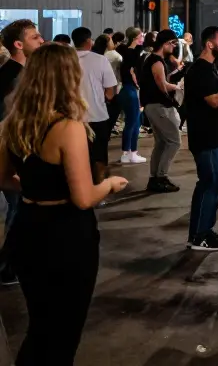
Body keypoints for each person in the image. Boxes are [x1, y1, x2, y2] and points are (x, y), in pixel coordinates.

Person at [0, 44, 128, 364]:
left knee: (40, 328)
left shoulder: (12, 123)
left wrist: (35, 188)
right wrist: (109, 184)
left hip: (27, 229)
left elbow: (3, 178)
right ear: (68, 77)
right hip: (65, 236)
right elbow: (83, 198)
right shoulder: (68, 128)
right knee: (63, 334)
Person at [0, 19, 44, 286]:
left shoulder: (16, 72)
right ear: (19, 44)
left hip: (14, 147)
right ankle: (7, 266)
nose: (41, 40)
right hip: (12, 149)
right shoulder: (14, 76)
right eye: (35, 37)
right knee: (17, 206)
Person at [183, 26, 218, 252]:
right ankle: (199, 236)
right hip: (207, 138)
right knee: (210, 184)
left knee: (212, 185)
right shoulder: (200, 70)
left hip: (215, 137)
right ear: (209, 44)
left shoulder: (211, 68)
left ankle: (204, 230)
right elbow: (213, 101)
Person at [140, 29, 186, 193]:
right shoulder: (156, 61)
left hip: (152, 105)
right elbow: (162, 86)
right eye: (173, 44)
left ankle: (155, 178)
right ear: (166, 43)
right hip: (158, 106)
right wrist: (178, 87)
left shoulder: (152, 59)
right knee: (174, 141)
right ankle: (161, 177)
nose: (174, 47)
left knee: (161, 143)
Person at [73, 27, 118, 186]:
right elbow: (110, 89)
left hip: (73, 117)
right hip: (97, 115)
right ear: (88, 41)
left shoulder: (65, 59)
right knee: (99, 154)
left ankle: (78, 185)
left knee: (76, 155)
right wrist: (104, 99)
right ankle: (99, 186)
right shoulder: (100, 60)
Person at [117, 28, 146, 164]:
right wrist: (138, 85)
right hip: (130, 89)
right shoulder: (132, 53)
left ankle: (128, 152)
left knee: (133, 122)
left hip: (127, 89)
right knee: (133, 123)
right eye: (141, 36)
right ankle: (130, 152)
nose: (143, 38)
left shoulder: (126, 51)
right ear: (135, 38)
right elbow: (132, 72)